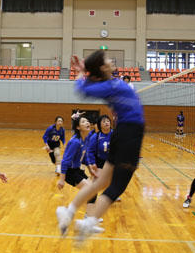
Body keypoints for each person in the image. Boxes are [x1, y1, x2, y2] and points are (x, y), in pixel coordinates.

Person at [56, 50, 145, 243]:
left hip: (121, 133)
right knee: (117, 186)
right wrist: (83, 72)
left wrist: (85, 71)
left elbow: (86, 85)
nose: (111, 60)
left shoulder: (110, 83)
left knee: (101, 182)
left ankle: (69, 212)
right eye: (107, 59)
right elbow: (81, 88)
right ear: (103, 67)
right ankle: (88, 223)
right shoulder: (111, 85)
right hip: (130, 134)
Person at [57, 115, 99, 222]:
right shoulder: (75, 142)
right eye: (83, 122)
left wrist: (90, 169)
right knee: (89, 189)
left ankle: (89, 217)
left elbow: (84, 156)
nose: (87, 123)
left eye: (87, 121)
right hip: (70, 172)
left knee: (93, 190)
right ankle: (67, 211)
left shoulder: (86, 138)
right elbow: (65, 161)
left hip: (78, 170)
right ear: (78, 127)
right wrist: (61, 179)